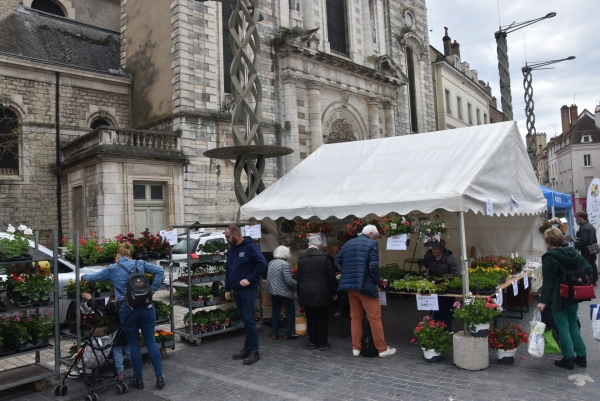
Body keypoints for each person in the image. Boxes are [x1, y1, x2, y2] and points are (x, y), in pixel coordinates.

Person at [81, 243, 165, 389]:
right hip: (146, 306)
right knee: (150, 342)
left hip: (127, 309)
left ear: (118, 256)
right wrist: (152, 289)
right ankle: (159, 378)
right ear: (129, 255)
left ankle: (138, 379)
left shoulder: (113, 268)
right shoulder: (140, 263)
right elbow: (159, 270)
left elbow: (94, 278)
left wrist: (83, 276)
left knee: (133, 344)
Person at [335, 224, 396, 358]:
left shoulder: (348, 244)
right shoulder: (371, 244)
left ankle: (356, 348)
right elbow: (373, 266)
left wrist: (347, 272)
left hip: (351, 287)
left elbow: (337, 261)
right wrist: (375, 281)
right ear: (370, 234)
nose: (374, 239)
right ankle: (382, 349)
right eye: (375, 237)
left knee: (355, 318)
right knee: (374, 319)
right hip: (365, 285)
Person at [537, 227, 592, 370]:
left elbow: (548, 282)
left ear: (548, 242)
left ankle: (568, 358)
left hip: (558, 296)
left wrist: (543, 301)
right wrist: (573, 279)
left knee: (563, 328)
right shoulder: (572, 252)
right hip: (573, 295)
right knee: (573, 325)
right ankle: (582, 356)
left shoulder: (549, 258)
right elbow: (588, 269)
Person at [224, 224, 267, 365]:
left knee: (248, 319)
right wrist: (227, 288)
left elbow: (262, 264)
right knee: (245, 319)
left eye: (227, 236)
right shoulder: (231, 251)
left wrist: (249, 279)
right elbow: (228, 270)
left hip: (248, 289)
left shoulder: (250, 247)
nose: (227, 240)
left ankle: (255, 351)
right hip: (236, 290)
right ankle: (248, 347)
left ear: (236, 234)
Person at [81, 287, 131, 382]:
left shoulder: (111, 306)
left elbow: (99, 308)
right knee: (130, 352)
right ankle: (137, 371)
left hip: (114, 333)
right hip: (126, 331)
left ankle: (120, 375)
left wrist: (90, 299)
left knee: (117, 355)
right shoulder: (126, 304)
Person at [297, 235, 337, 350]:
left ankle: (313, 341)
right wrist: (334, 292)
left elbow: (299, 279)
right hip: (322, 291)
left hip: (306, 292)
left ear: (308, 244)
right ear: (319, 245)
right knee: (322, 318)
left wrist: (300, 296)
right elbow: (331, 277)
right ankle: (323, 343)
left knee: (310, 318)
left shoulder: (302, 258)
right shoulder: (324, 258)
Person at [418, 240, 459, 330]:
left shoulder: (449, 257)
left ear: (442, 250)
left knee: (446, 311)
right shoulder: (429, 255)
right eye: (433, 248)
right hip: (433, 285)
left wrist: (444, 278)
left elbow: (455, 273)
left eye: (436, 249)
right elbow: (422, 262)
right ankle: (435, 329)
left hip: (445, 288)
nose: (433, 250)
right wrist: (422, 266)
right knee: (434, 310)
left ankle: (447, 330)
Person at [265, 245, 298, 340]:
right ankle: (288, 333)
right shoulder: (285, 265)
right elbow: (288, 280)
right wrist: (298, 284)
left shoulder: (271, 263)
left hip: (273, 291)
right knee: (291, 311)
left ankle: (274, 333)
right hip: (285, 292)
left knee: (275, 311)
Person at [574, 211, 598, 286]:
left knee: (588, 264)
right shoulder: (591, 226)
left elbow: (583, 240)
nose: (577, 219)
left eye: (577, 217)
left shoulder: (584, 227)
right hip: (592, 247)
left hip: (586, 248)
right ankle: (594, 279)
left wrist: (576, 246)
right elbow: (594, 239)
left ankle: (590, 279)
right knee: (593, 264)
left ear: (581, 218)